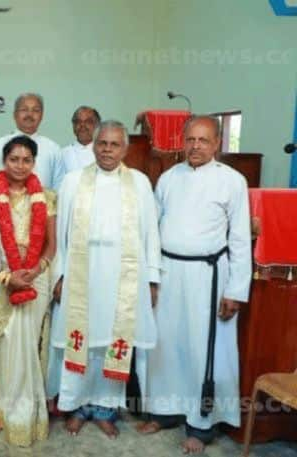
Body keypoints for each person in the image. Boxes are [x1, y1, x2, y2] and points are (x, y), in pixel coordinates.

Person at [138, 115, 252, 455]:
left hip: (208, 276)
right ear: (182, 141)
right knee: (165, 345)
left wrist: (235, 290)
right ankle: (164, 411)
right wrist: (152, 277)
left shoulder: (233, 181)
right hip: (170, 272)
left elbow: (240, 238)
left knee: (202, 348)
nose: (196, 146)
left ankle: (201, 426)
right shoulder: (169, 178)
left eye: (204, 140)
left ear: (217, 143)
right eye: (191, 139)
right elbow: (153, 232)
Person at [50, 120, 160, 438]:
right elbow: (60, 234)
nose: (107, 150)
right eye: (102, 144)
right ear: (94, 146)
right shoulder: (72, 181)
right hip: (82, 273)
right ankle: (77, 407)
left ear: (124, 148)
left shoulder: (139, 183)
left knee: (114, 341)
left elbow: (151, 233)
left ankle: (105, 409)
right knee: (81, 341)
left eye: (114, 145)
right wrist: (59, 275)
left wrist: (152, 278)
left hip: (123, 277)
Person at [0, 136, 56, 446]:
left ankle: (23, 416)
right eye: (14, 159)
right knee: (0, 344)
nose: (20, 165)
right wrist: (7, 276)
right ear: (4, 162)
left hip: (36, 277)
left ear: (34, 162)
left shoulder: (47, 196)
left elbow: (51, 245)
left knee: (27, 344)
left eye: (26, 159)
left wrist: (35, 270)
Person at [0, 93, 63, 191]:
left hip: (45, 204)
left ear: (41, 116)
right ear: (15, 115)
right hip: (3, 204)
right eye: (24, 110)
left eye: (35, 110)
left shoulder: (53, 149)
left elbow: (59, 189)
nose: (29, 114)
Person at [60, 106, 101, 175]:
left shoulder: (104, 153)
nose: (82, 125)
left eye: (88, 121)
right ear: (73, 125)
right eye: (78, 121)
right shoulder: (62, 154)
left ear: (97, 125)